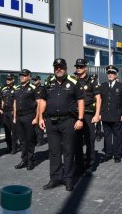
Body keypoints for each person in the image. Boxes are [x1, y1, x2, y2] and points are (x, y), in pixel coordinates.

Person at [39, 58, 84, 192]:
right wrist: (41, 117)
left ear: (65, 68)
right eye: (56, 67)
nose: (58, 69)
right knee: (54, 152)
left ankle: (68, 179)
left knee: (69, 151)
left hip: (68, 121)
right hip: (51, 123)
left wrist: (80, 119)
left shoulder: (73, 82)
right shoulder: (48, 83)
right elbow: (42, 101)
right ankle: (55, 179)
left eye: (61, 67)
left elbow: (81, 101)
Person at [74, 58, 101, 176]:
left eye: (80, 67)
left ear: (85, 68)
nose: (78, 69)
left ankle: (89, 166)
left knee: (90, 140)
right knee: (77, 141)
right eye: (77, 67)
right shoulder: (73, 80)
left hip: (89, 113)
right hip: (75, 114)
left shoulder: (92, 80)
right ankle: (79, 166)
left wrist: (97, 115)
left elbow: (98, 99)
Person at [13, 69, 40, 171]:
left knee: (30, 140)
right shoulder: (17, 88)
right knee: (22, 140)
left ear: (29, 76)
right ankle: (24, 160)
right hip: (19, 117)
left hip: (29, 116)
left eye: (24, 75)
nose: (22, 77)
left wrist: (37, 118)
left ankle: (31, 161)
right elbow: (15, 103)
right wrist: (15, 117)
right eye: (21, 75)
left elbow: (38, 104)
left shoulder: (33, 88)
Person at [99, 65, 122, 163]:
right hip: (105, 115)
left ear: (116, 75)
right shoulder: (103, 85)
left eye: (113, 73)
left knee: (117, 136)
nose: (110, 75)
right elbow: (101, 101)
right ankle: (108, 153)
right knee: (107, 136)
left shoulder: (121, 86)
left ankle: (117, 154)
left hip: (117, 115)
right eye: (109, 73)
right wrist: (99, 113)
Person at [0, 73, 18, 154]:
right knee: (7, 131)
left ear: (13, 80)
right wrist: (1, 108)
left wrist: (14, 113)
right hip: (5, 112)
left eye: (10, 79)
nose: (8, 80)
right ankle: (9, 147)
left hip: (12, 112)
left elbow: (16, 102)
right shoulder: (3, 89)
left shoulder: (16, 89)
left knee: (14, 131)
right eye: (7, 79)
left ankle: (14, 148)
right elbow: (3, 100)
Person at [32, 75, 45, 146]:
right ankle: (36, 139)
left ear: (39, 80)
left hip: (40, 108)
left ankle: (40, 140)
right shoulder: (33, 88)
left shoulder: (42, 88)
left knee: (39, 125)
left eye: (36, 80)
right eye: (34, 80)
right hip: (33, 109)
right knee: (34, 125)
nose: (34, 81)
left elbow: (42, 100)